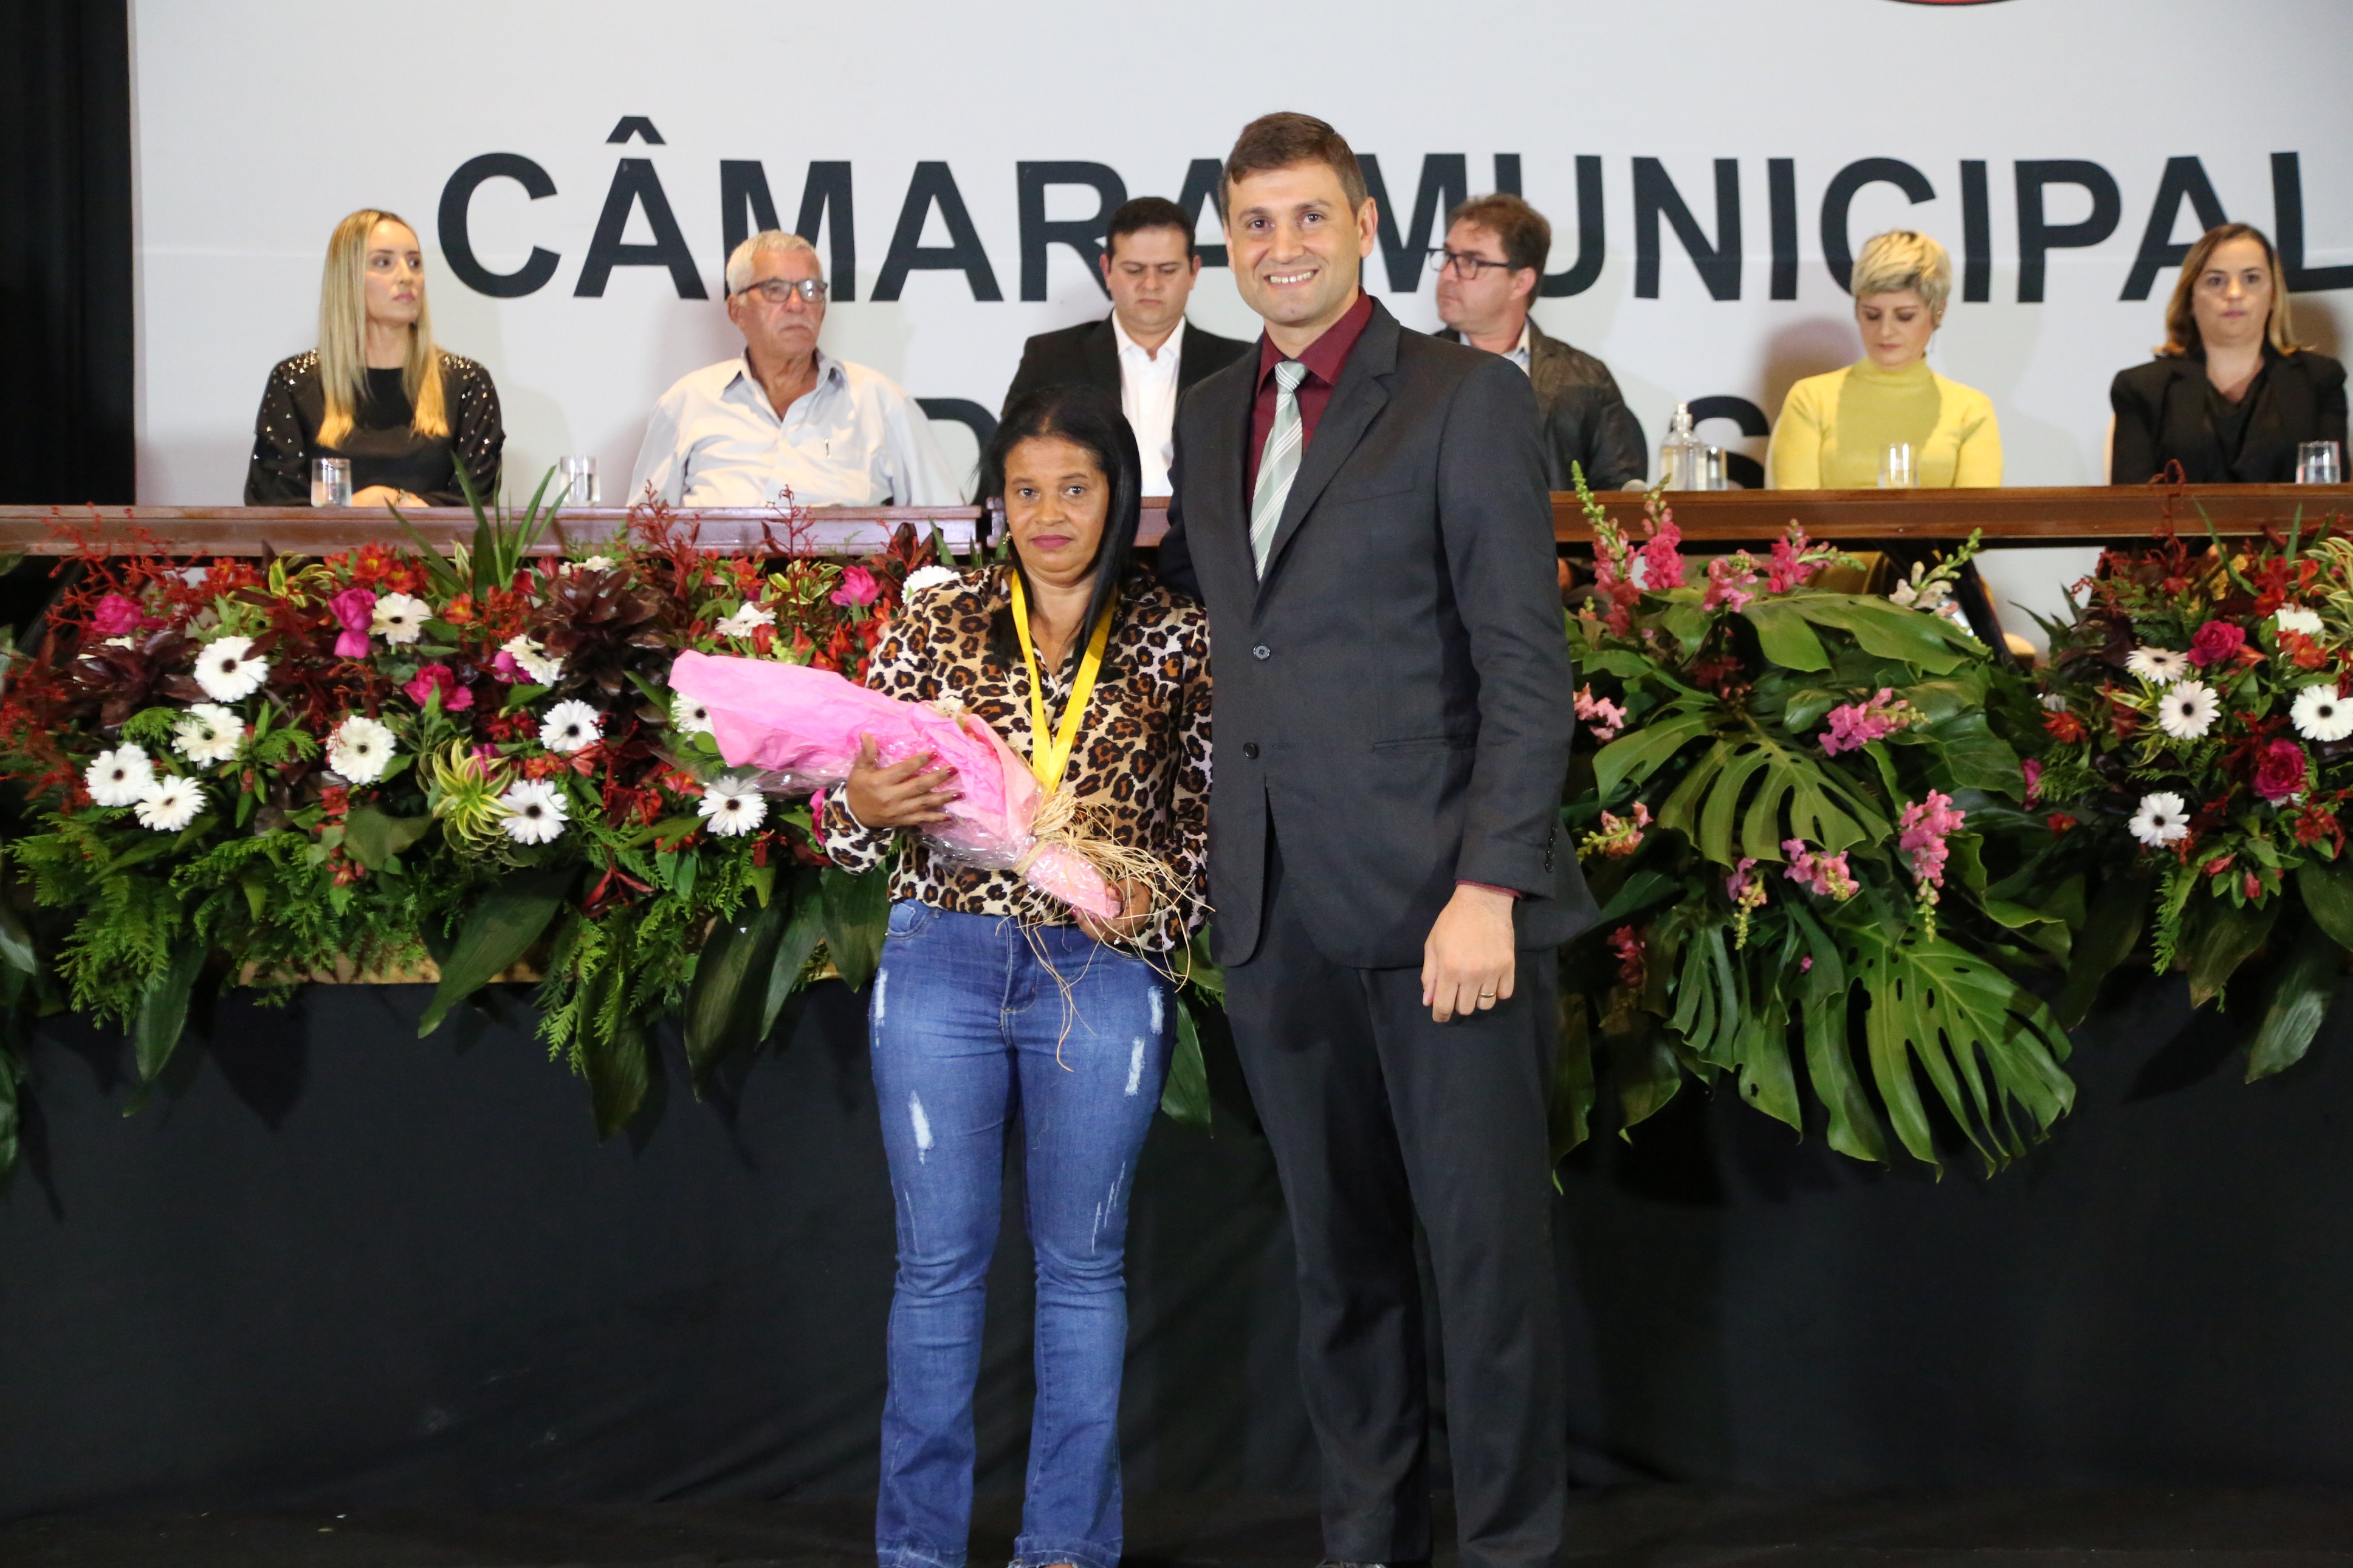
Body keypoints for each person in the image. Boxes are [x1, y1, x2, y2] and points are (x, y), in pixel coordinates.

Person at [1158, 112, 1592, 1568]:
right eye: (1254, 223)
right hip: (1274, 911)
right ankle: (1368, 1544)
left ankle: (1510, 1548)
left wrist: (1490, 885)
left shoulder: (1463, 398)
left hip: (1440, 915)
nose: (1280, 248)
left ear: (1361, 228)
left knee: (1483, 1269)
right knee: (1339, 1272)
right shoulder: (1206, 412)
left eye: (1308, 217)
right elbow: (1240, 642)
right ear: (1229, 245)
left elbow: (1523, 666)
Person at [819, 383, 1211, 1568]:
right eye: (1026, 490)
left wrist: (1156, 907)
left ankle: (1065, 1548)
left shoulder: (1175, 635)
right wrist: (858, 801)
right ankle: (917, 1552)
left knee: (1082, 1270)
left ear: (1119, 496)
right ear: (998, 502)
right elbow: (847, 832)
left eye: (1074, 489)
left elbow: (1207, 834)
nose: (1048, 515)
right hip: (939, 959)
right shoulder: (937, 620)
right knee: (936, 1271)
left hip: (1100, 973)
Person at [630, 230, 959, 507]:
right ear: (736, 310)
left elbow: (947, 528)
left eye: (811, 290)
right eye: (775, 290)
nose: (797, 304)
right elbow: (641, 537)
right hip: (716, 569)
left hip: (847, 567)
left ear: (823, 308)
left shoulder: (881, 402)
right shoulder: (687, 403)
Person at [245, 209, 503, 507]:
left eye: (415, 263)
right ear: (348, 278)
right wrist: (363, 506)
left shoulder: (467, 383)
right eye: (383, 263)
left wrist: (394, 501)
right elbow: (272, 507)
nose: (406, 277)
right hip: (329, 543)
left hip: (432, 542)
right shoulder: (295, 381)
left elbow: (477, 508)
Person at [1001, 196, 1252, 495]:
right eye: (1134, 270)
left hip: (1205, 526)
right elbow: (1005, 467)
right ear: (1107, 270)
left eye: (1167, 270)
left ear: (1193, 271)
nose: (1151, 284)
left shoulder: (1240, 364)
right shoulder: (1051, 358)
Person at [1432, 193, 1647, 490]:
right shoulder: (1413, 368)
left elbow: (1618, 499)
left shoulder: (1587, 380)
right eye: (1447, 256)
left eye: (1471, 262)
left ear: (1520, 282)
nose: (1447, 275)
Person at [2110, 222, 2348, 484]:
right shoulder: (2142, 389)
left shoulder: (2318, 381)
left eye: (2251, 278)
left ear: (2273, 295)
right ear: (2190, 299)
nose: (2234, 293)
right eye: (2216, 281)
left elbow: (2331, 497)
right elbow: (2131, 502)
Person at [1770, 229, 2001, 488]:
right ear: (1856, 310)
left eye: (1905, 317)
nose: (1885, 332)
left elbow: (1976, 513)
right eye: (1872, 315)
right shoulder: (1811, 400)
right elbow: (1797, 510)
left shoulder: (1970, 410)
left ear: (1938, 311)